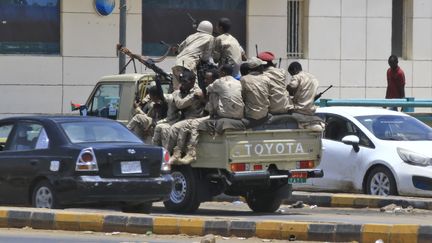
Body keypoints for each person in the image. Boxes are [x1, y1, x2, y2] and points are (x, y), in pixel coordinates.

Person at [166, 70, 206, 163]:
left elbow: (180, 104)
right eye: (182, 81)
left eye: (185, 82)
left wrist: (176, 93)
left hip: (194, 118)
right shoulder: (185, 90)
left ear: (192, 81)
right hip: (185, 119)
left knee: (174, 128)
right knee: (165, 128)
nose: (182, 84)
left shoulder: (196, 93)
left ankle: (170, 154)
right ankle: (171, 153)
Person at [172, 20, 214, 90]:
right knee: (194, 90)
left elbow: (180, 48)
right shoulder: (210, 38)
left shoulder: (191, 36)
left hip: (178, 62)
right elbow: (206, 56)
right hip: (189, 64)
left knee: (177, 90)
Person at [240, 57, 271, 122]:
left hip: (250, 114)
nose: (263, 68)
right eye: (262, 66)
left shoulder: (244, 79)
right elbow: (269, 95)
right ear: (259, 68)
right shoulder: (266, 79)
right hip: (264, 114)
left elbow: (242, 97)